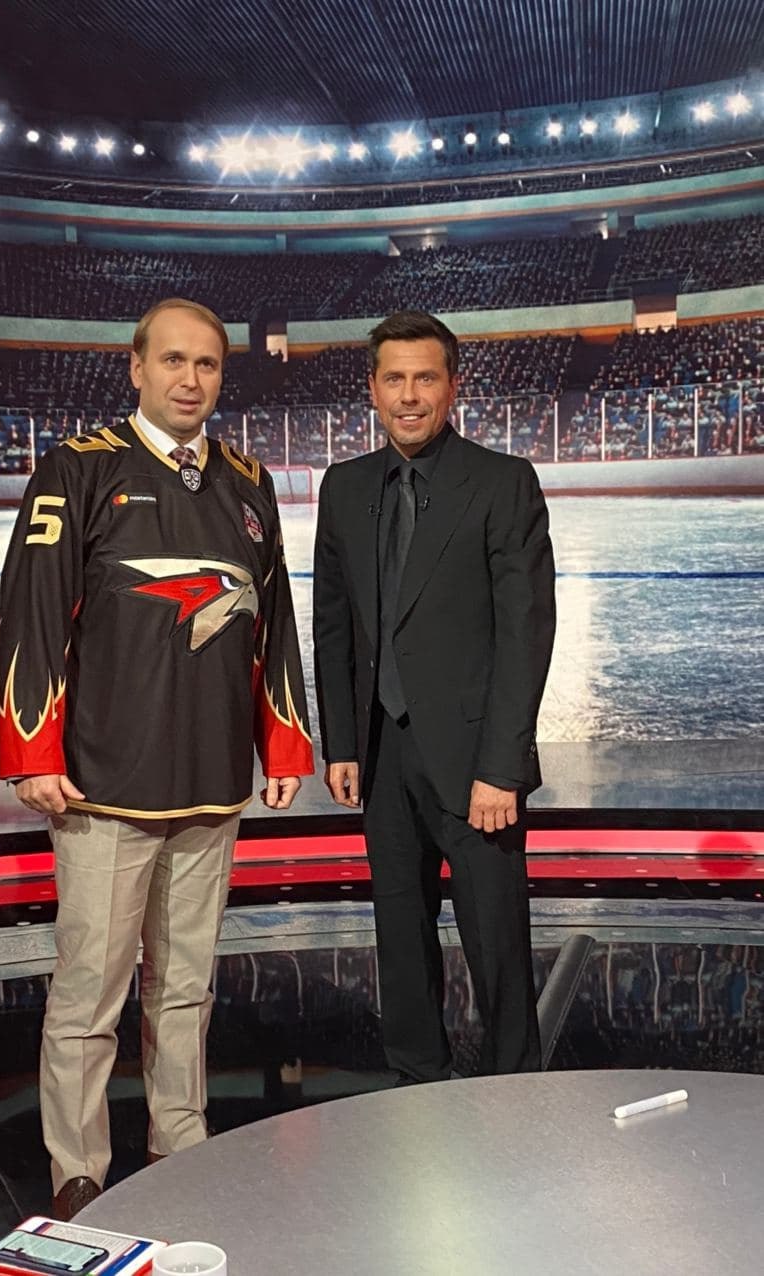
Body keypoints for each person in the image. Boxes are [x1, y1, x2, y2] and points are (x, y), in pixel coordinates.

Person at [0, 297, 313, 1219]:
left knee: (185, 991)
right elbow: (33, 613)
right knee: (90, 994)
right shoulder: (77, 468)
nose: (189, 379)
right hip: (103, 784)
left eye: (206, 364)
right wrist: (32, 749)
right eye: (172, 360)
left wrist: (283, 741)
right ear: (135, 368)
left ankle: (181, 1144)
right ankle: (77, 1169)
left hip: (211, 784)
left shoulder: (249, 484)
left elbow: (274, 621)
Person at [313, 310, 555, 1083]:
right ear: (373, 389)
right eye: (395, 379)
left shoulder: (502, 482)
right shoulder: (344, 487)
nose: (409, 395)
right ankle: (415, 1082)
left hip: (476, 762)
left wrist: (503, 768)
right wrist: (342, 741)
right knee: (400, 930)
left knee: (496, 941)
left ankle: (515, 1087)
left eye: (425, 378)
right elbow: (334, 624)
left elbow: (526, 634)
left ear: (453, 387)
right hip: (381, 751)